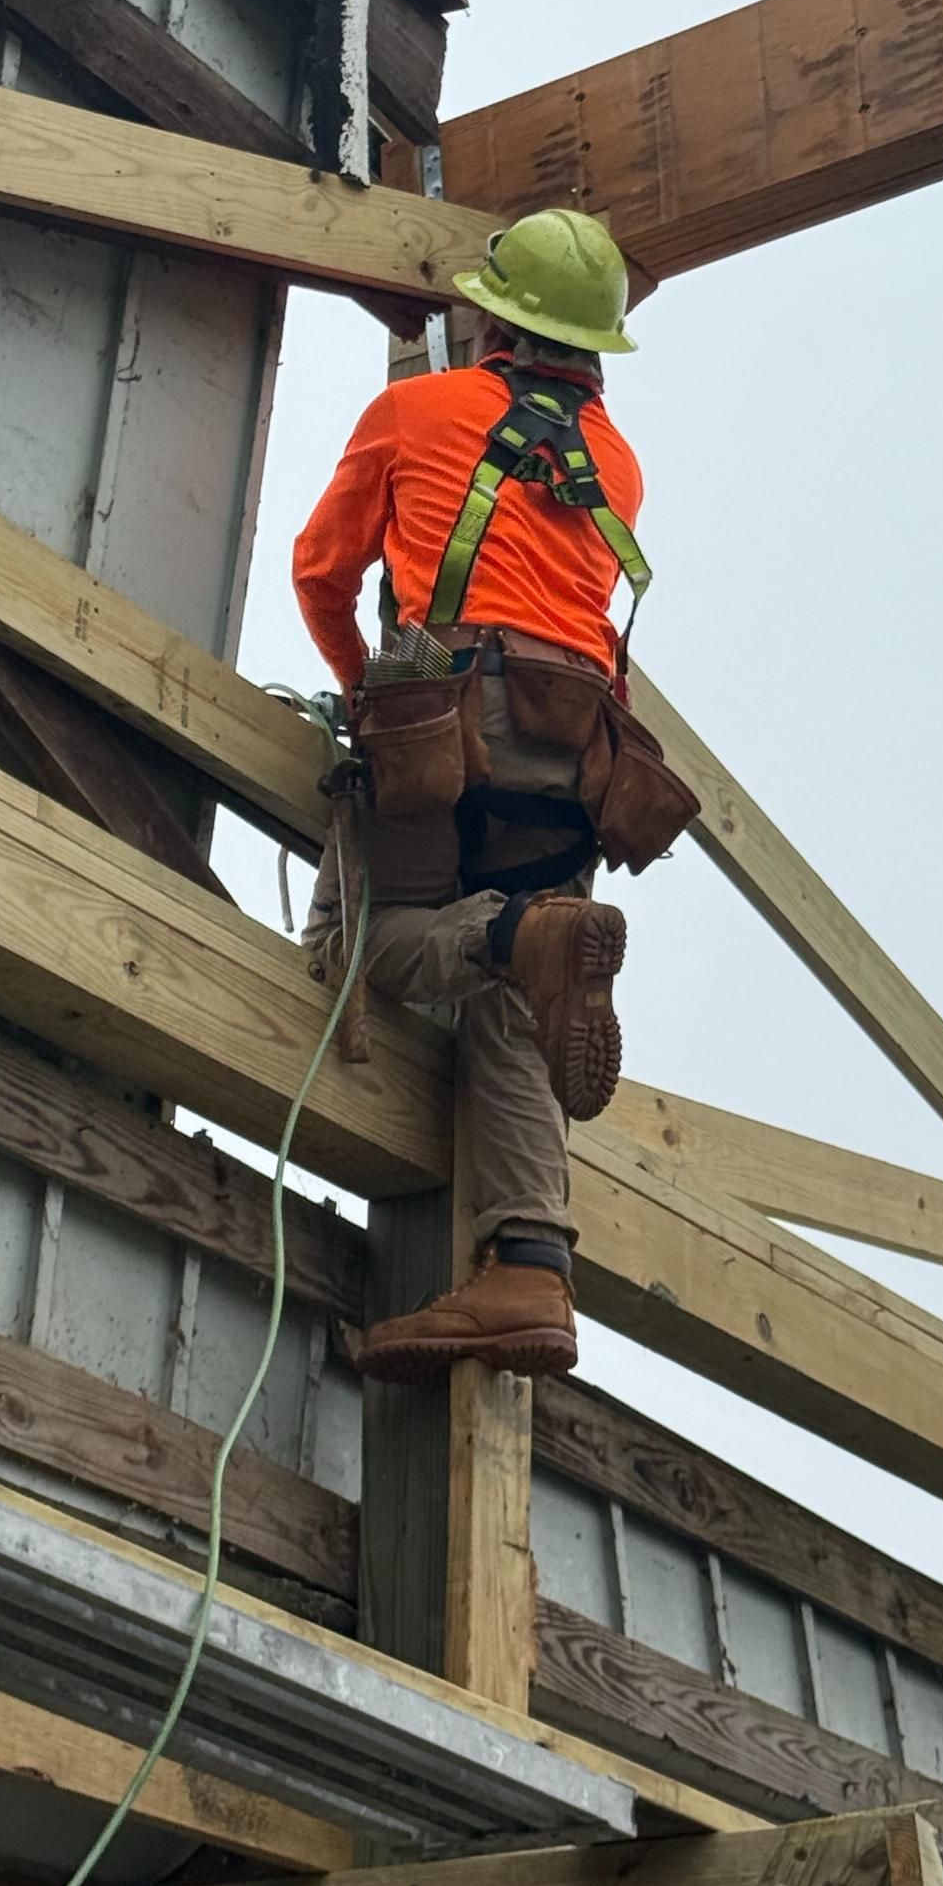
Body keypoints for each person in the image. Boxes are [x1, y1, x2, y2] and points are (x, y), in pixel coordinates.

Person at [293, 208, 673, 1384]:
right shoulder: (615, 461)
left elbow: (322, 573)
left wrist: (370, 699)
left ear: (491, 316)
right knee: (515, 1002)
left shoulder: (416, 411)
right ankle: (529, 1265)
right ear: (594, 344)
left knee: (356, 951)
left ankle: (516, 932)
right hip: (579, 751)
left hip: (459, 711)